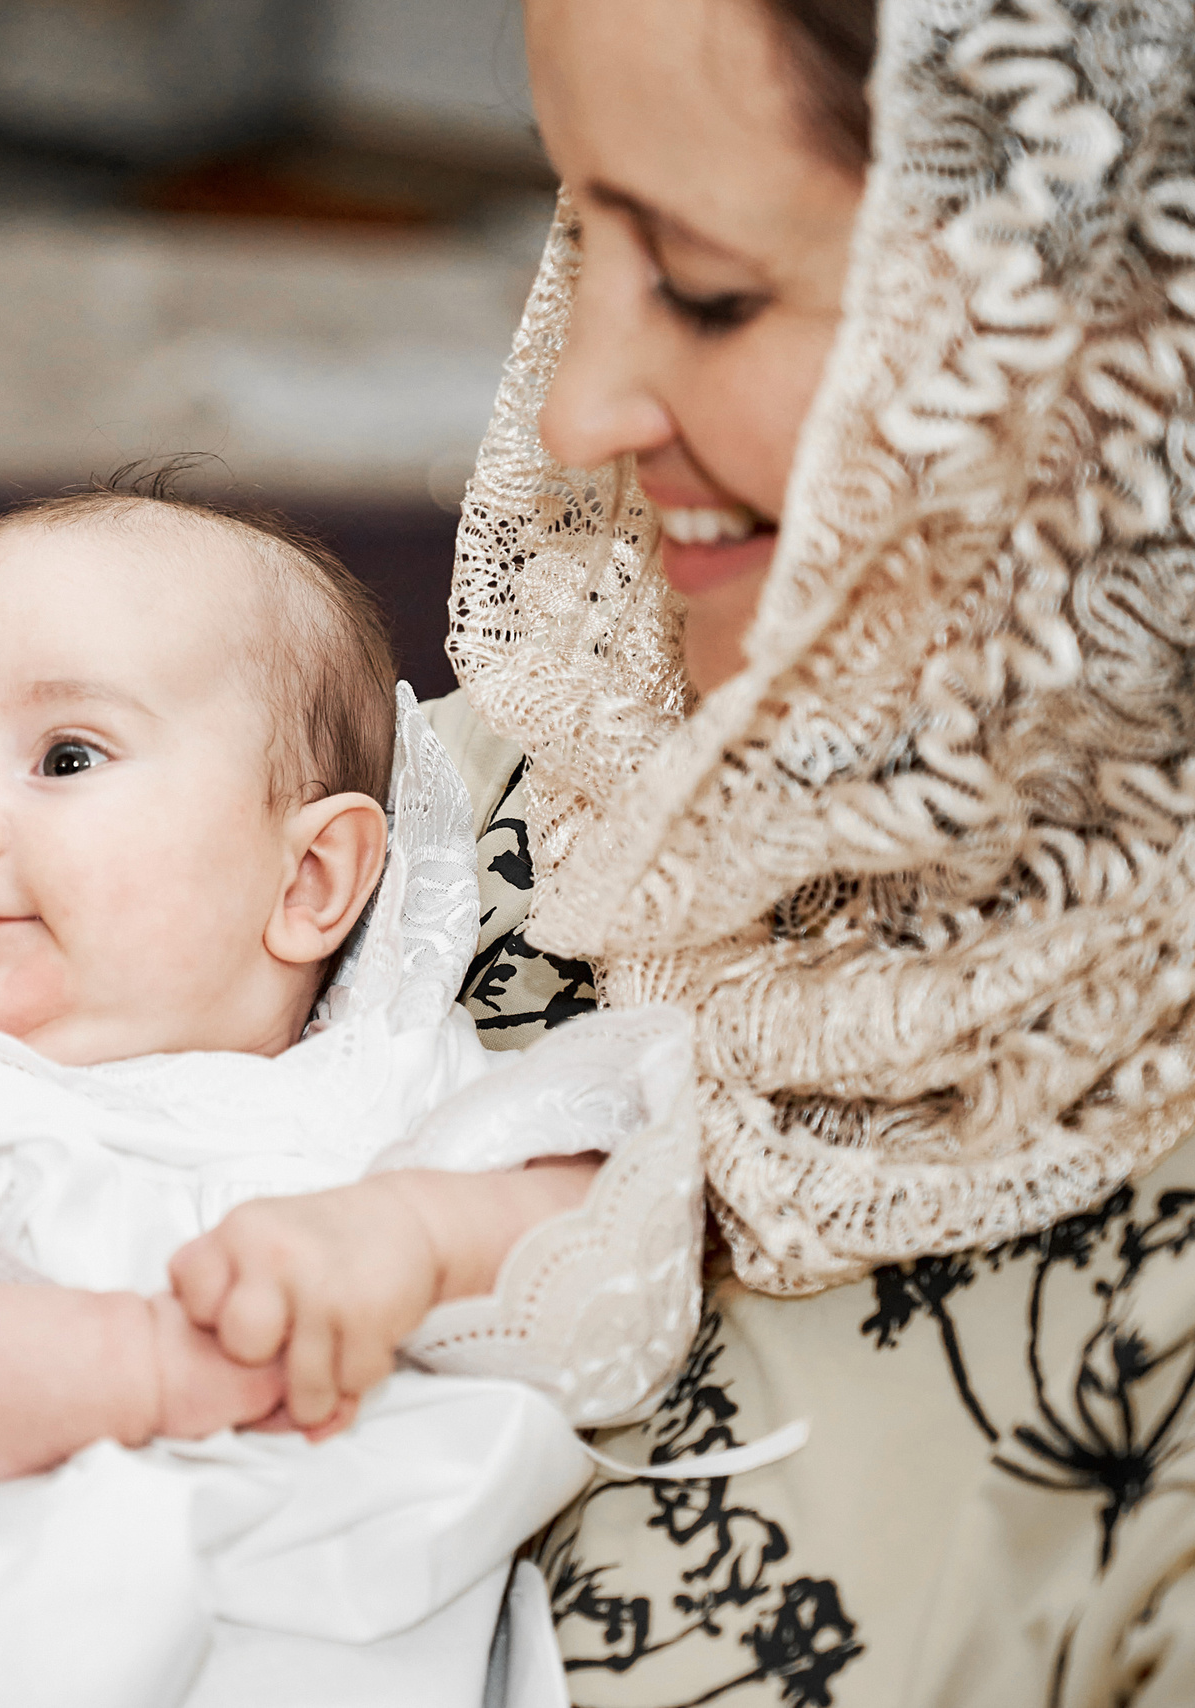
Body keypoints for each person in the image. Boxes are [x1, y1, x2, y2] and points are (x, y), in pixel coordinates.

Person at [171, 0, 1195, 1700]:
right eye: (575, 232)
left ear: (1115, 324)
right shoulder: (553, 757)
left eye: (707, 286)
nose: (576, 408)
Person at [0, 490, 712, 1708]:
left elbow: (625, 1222)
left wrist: (413, 1238)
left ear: (312, 878)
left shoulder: (393, 1078)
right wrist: (153, 1368)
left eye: (66, 757)